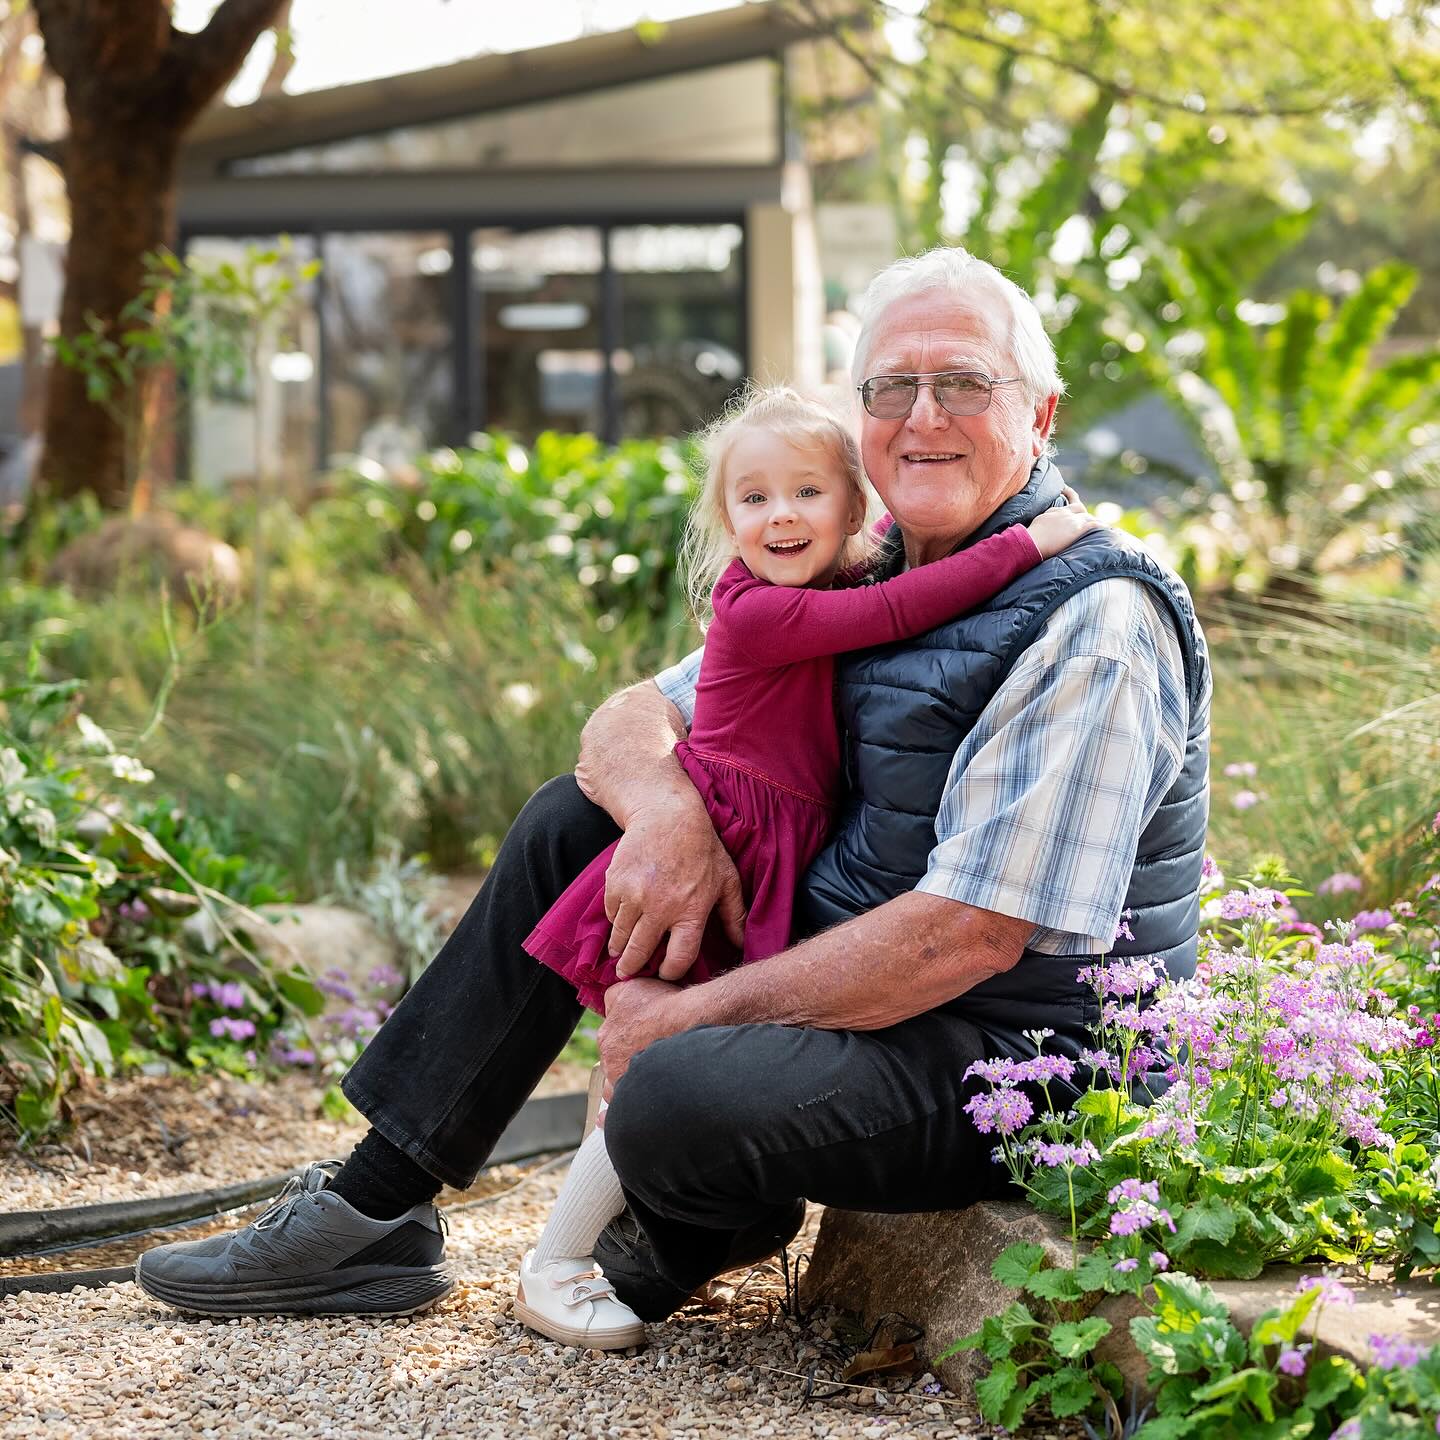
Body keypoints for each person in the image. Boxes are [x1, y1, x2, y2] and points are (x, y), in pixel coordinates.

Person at [135, 246, 1210, 1339]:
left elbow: (968, 938)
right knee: (575, 823)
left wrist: (682, 1021)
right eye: (892, 386)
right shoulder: (863, 563)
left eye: (965, 382)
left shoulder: (1093, 625)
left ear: (1042, 413)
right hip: (876, 983)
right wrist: (667, 815)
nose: (923, 414)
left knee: (676, 1088)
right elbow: (628, 721)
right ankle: (371, 1212)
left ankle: (683, 1232)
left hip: (1014, 1061)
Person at [515, 385, 1098, 1348]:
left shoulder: (819, 593)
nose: (780, 515)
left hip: (773, 848)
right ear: (725, 518)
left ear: (852, 506)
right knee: (642, 1053)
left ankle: (612, 1242)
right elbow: (913, 602)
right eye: (754, 499)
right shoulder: (760, 611)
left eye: (806, 493)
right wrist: (1031, 546)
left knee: (642, 1048)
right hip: (731, 852)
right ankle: (556, 1265)